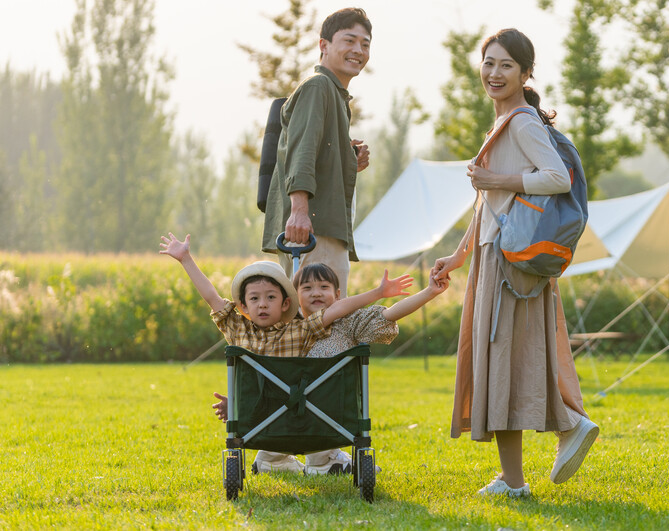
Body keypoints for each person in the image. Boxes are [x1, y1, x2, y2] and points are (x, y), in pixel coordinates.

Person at [431, 28, 599, 498]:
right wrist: (460, 253)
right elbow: (490, 204)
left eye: (506, 65)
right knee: (510, 358)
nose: (494, 73)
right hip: (498, 257)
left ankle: (526, 468)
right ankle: (560, 433)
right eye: (488, 62)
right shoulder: (506, 122)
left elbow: (556, 178)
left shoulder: (522, 123)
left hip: (510, 265)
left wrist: (495, 176)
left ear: (526, 74)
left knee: (504, 358)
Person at [159, 231, 415, 474]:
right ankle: (279, 459)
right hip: (258, 412)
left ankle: (296, 460)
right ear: (243, 306)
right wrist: (186, 259)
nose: (262, 304)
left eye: (271, 297)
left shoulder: (300, 330)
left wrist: (378, 293)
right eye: (255, 299)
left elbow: (338, 310)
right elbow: (211, 297)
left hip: (291, 412)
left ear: (285, 304)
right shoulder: (238, 328)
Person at [210, 261, 451, 474]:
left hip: (330, 411)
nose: (316, 293)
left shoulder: (348, 324)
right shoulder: (285, 331)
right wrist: (237, 400)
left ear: (337, 295)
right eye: (307, 288)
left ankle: (319, 458)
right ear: (292, 299)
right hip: (282, 415)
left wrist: (429, 292)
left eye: (324, 287)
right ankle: (277, 457)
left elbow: (389, 315)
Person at [261, 7, 373, 288]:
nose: (358, 50)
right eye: (349, 40)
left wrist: (349, 159)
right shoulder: (318, 86)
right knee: (321, 324)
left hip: (321, 228)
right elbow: (302, 151)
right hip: (312, 230)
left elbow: (314, 151)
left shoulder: (334, 94)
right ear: (323, 45)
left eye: (365, 44)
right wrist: (299, 211)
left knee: (322, 323)